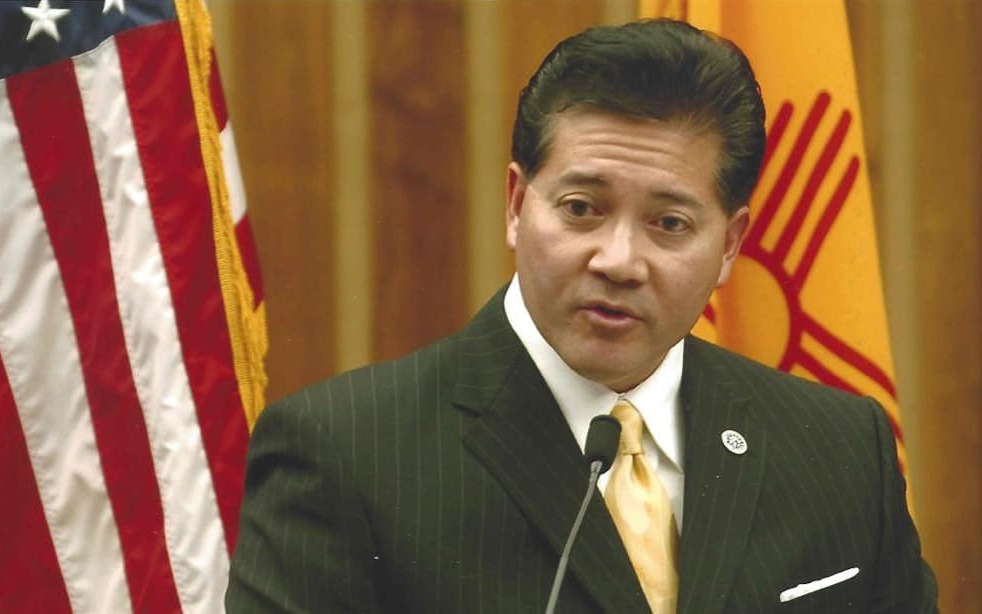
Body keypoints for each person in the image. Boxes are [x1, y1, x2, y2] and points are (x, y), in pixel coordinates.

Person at [225, 19, 937, 613]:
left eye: (669, 223)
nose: (618, 260)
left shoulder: (842, 451)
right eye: (581, 209)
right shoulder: (345, 454)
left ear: (730, 247)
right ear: (515, 206)